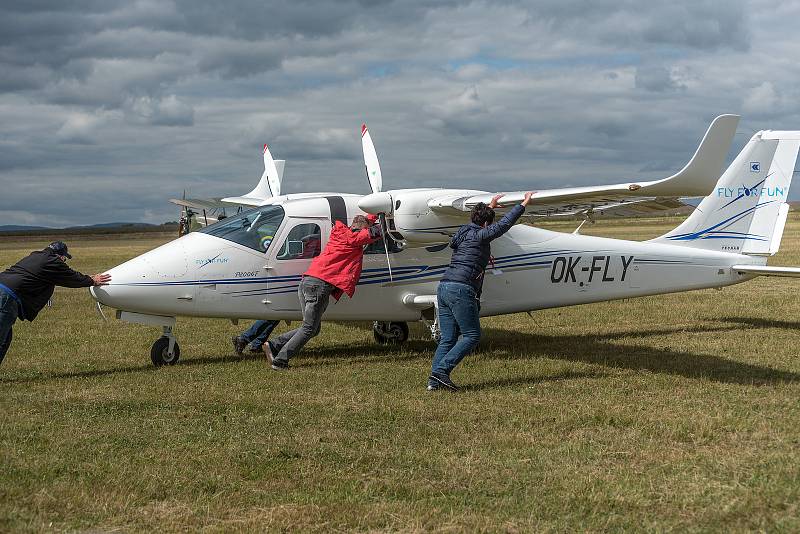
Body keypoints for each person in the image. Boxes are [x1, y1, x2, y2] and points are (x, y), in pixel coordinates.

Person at [428, 192, 533, 391]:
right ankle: (441, 372)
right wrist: (523, 203)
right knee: (471, 335)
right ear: (486, 225)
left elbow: (479, 222)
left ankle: (434, 382)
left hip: (444, 287)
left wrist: (490, 206)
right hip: (461, 288)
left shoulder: (464, 231)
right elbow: (504, 225)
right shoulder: (482, 234)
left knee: (449, 338)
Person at [264, 214, 381, 370]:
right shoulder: (352, 239)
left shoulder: (341, 233)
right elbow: (368, 235)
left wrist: (375, 214)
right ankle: (281, 360)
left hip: (308, 282)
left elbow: (363, 228)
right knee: (309, 329)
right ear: (360, 230)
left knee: (312, 328)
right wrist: (388, 225)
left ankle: (273, 345)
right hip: (319, 286)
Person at [0, 241, 111, 365]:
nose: (64, 261)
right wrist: (92, 280)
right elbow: (72, 278)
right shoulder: (53, 262)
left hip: (4, 290)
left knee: (5, 338)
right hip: (6, 297)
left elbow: (61, 276)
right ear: (60, 255)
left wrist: (88, 277)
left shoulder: (36, 256)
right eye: (64, 258)